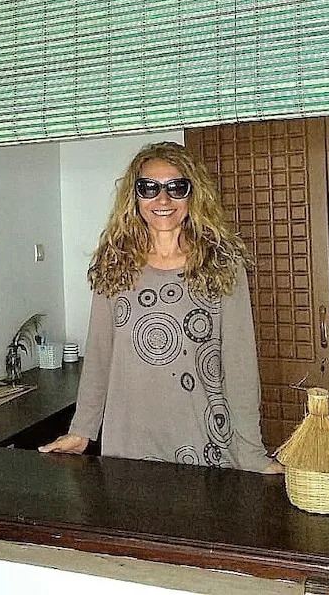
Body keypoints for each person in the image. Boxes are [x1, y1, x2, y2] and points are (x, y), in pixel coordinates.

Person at [39, 141, 283, 474]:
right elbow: (99, 354)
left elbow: (240, 365)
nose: (163, 199)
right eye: (149, 188)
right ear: (135, 197)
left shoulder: (222, 265)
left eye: (176, 187)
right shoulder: (115, 263)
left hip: (205, 442)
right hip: (129, 446)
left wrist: (252, 453)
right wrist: (82, 430)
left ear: (193, 194)